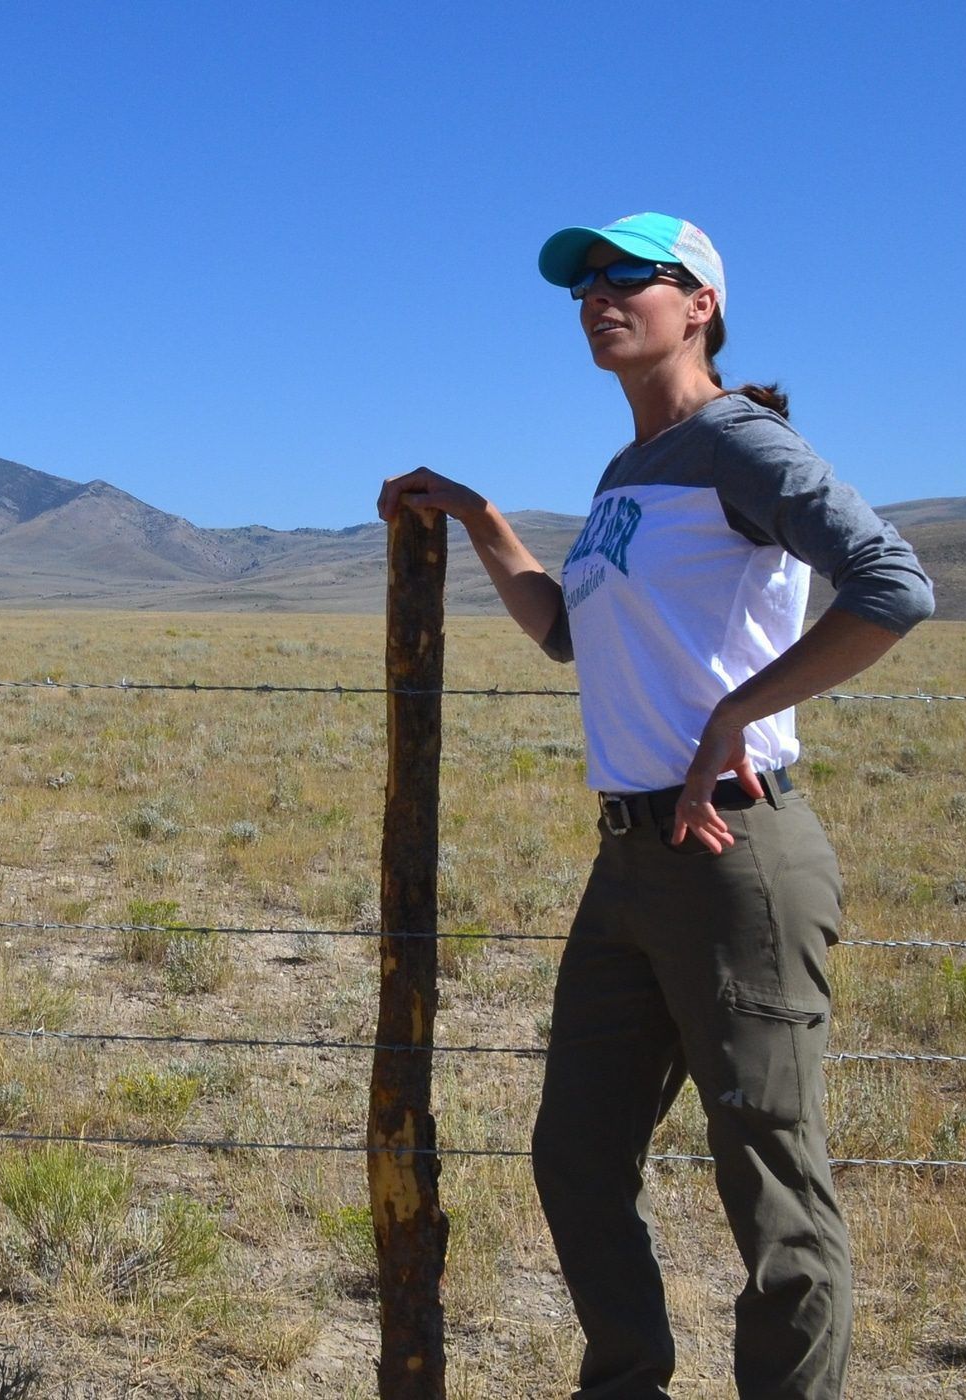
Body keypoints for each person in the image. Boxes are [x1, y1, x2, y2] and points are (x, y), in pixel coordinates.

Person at [378, 212, 934, 1400]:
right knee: (575, 1153)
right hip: (629, 857)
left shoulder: (740, 444)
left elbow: (892, 584)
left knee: (769, 1184)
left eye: (634, 275)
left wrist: (735, 714)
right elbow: (571, 635)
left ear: (702, 306)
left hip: (735, 850)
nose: (600, 292)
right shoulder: (626, 472)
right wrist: (482, 522)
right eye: (585, 280)